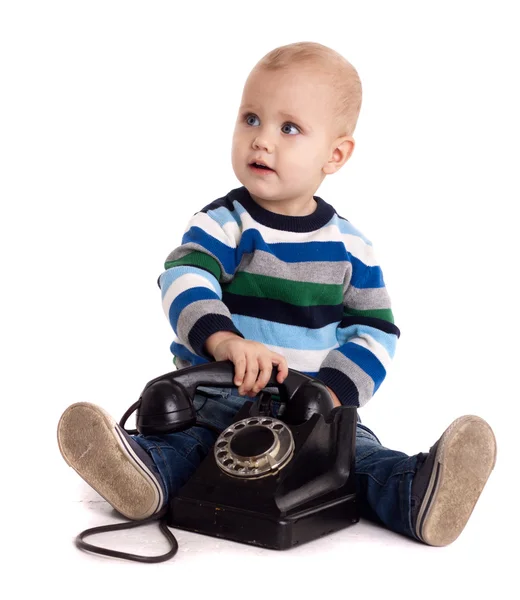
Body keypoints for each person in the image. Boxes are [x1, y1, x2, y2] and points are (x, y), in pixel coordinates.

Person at [57, 41, 496, 547]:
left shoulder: (352, 248)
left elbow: (375, 331)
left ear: (336, 153)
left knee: (358, 459)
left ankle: (417, 493)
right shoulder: (222, 224)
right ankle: (138, 471)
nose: (261, 140)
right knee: (186, 447)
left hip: (312, 412)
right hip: (215, 401)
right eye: (250, 119)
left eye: (289, 128)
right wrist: (223, 341)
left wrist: (331, 393)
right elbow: (184, 277)